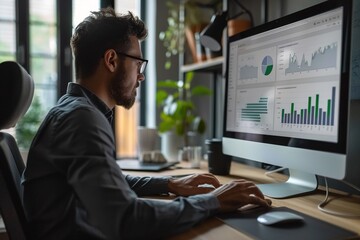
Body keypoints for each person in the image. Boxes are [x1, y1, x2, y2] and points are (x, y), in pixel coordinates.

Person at [22, 8, 271, 240]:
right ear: (111, 60)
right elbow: (128, 220)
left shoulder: (73, 110)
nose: (140, 75)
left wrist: (169, 184)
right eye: (137, 63)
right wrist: (213, 201)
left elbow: (108, 182)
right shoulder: (81, 120)